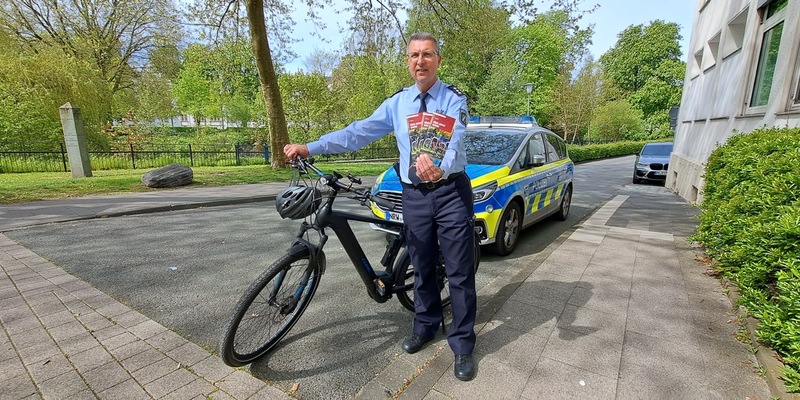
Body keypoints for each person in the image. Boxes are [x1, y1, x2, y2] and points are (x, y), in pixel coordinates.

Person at [283, 32, 477, 381]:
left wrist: (441, 167)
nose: (421, 61)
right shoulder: (397, 103)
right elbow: (358, 132)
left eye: (428, 54)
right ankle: (425, 325)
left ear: (438, 60)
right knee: (421, 263)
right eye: (414, 55)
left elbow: (456, 140)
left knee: (460, 273)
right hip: (414, 194)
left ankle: (462, 345)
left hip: (449, 191)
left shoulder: (453, 100)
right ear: (407, 60)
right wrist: (310, 147)